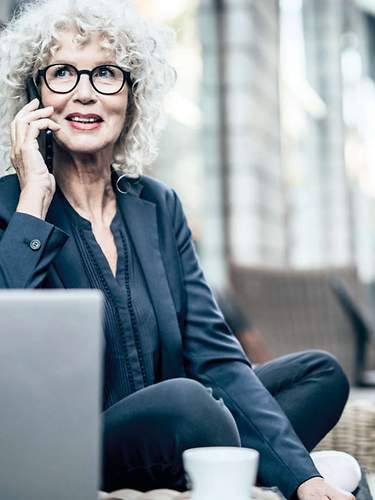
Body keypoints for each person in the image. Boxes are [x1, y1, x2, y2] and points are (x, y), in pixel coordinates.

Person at [0, 1, 353, 499]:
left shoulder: (158, 205)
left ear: (131, 94)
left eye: (105, 73)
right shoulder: (10, 209)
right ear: (33, 95)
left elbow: (216, 354)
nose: (84, 92)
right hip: (77, 444)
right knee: (192, 407)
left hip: (181, 424)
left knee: (319, 374)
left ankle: (230, 466)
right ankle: (228, 466)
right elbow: (9, 357)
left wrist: (305, 479)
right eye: (61, 73)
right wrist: (32, 203)